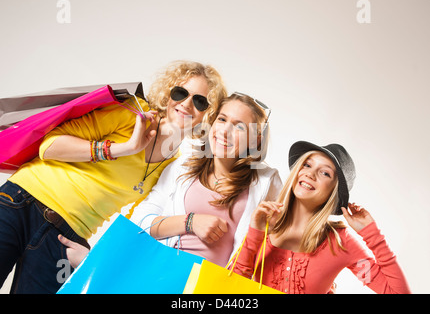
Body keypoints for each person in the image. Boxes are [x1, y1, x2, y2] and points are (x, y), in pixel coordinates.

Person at [0, 60, 227, 294]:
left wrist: (94, 257)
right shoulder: (132, 114)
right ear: (168, 93)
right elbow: (49, 147)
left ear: (208, 113)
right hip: (20, 202)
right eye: (180, 93)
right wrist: (125, 148)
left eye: (200, 101)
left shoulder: (174, 164)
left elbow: (139, 221)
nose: (186, 104)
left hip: (66, 237)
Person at [232, 141, 411, 294]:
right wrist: (255, 233)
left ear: (334, 190)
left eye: (325, 173)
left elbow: (397, 291)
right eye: (307, 165)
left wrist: (372, 234)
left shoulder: (341, 243)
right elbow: (230, 290)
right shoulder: (264, 223)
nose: (309, 174)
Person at [128, 92, 282, 267]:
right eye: (222, 120)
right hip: (162, 273)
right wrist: (190, 222)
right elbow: (138, 223)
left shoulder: (266, 182)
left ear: (255, 139)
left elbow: (275, 249)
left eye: (240, 127)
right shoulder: (183, 166)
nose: (225, 131)